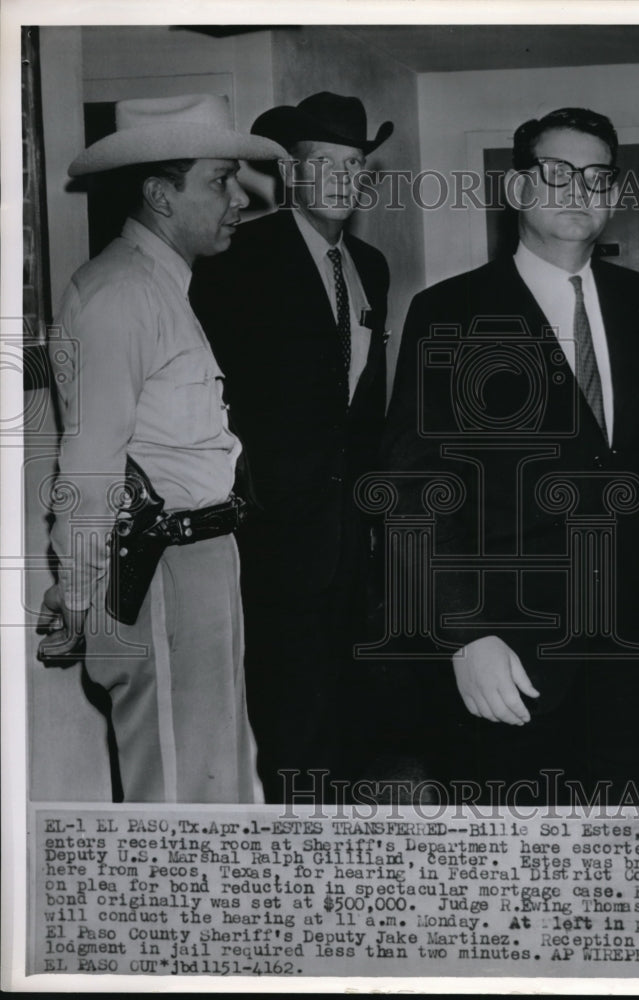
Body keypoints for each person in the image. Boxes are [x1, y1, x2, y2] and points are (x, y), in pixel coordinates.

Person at [382, 107, 639, 804]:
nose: (579, 191)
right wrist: (463, 638)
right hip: (516, 646)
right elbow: (411, 486)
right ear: (516, 190)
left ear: (616, 196)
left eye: (598, 177)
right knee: (523, 863)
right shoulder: (450, 311)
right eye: (558, 173)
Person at [37, 94, 285, 802]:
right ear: (158, 194)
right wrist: (83, 596)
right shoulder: (121, 293)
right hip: (157, 567)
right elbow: (87, 471)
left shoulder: (163, 287)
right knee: (178, 795)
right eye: (219, 180)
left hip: (195, 559)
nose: (239, 198)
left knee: (217, 777)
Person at [190, 92, 392, 801]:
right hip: (274, 533)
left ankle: (341, 837)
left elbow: (361, 402)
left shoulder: (371, 263)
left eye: (356, 164)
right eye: (323, 163)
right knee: (289, 716)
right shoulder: (241, 256)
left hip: (353, 533)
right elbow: (208, 388)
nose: (343, 178)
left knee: (349, 708)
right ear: (291, 174)